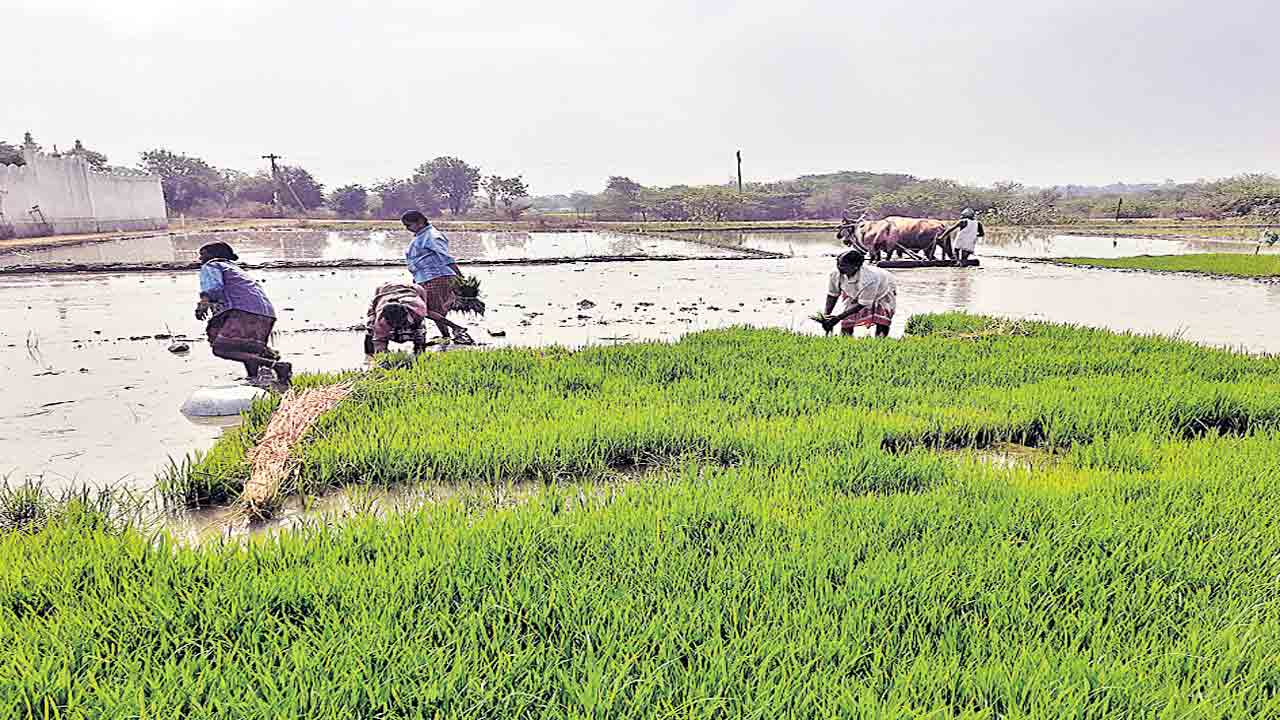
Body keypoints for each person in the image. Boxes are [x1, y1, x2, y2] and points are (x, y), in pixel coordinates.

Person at [194, 242, 292, 385]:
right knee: (246, 348)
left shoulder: (212, 266)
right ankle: (253, 378)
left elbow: (214, 287)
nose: (200, 258)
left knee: (220, 348)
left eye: (203, 254)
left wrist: (203, 304)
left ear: (213, 254)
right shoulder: (234, 268)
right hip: (264, 312)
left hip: (243, 310)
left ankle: (278, 366)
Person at [402, 210, 473, 344]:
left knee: (425, 309)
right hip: (424, 278)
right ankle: (446, 336)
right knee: (436, 310)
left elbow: (445, 257)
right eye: (405, 226)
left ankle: (456, 329)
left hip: (436, 276)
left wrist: (460, 277)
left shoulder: (432, 236)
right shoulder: (421, 236)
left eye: (409, 225)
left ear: (420, 222)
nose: (407, 229)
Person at [364, 282, 473, 354]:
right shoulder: (381, 319)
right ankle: (368, 354)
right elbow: (379, 342)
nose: (396, 326)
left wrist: (454, 326)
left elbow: (431, 314)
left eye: (400, 323)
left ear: (406, 314)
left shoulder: (418, 309)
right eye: (392, 324)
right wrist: (383, 358)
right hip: (384, 290)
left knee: (419, 334)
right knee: (370, 328)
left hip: (414, 290)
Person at [818, 249, 897, 338]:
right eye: (838, 263)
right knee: (847, 322)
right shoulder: (835, 274)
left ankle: (881, 341)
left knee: (882, 320)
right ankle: (845, 341)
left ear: (855, 266)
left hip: (883, 289)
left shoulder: (870, 278)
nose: (839, 267)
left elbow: (862, 304)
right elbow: (833, 295)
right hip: (853, 291)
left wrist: (837, 318)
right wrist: (826, 316)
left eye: (843, 265)